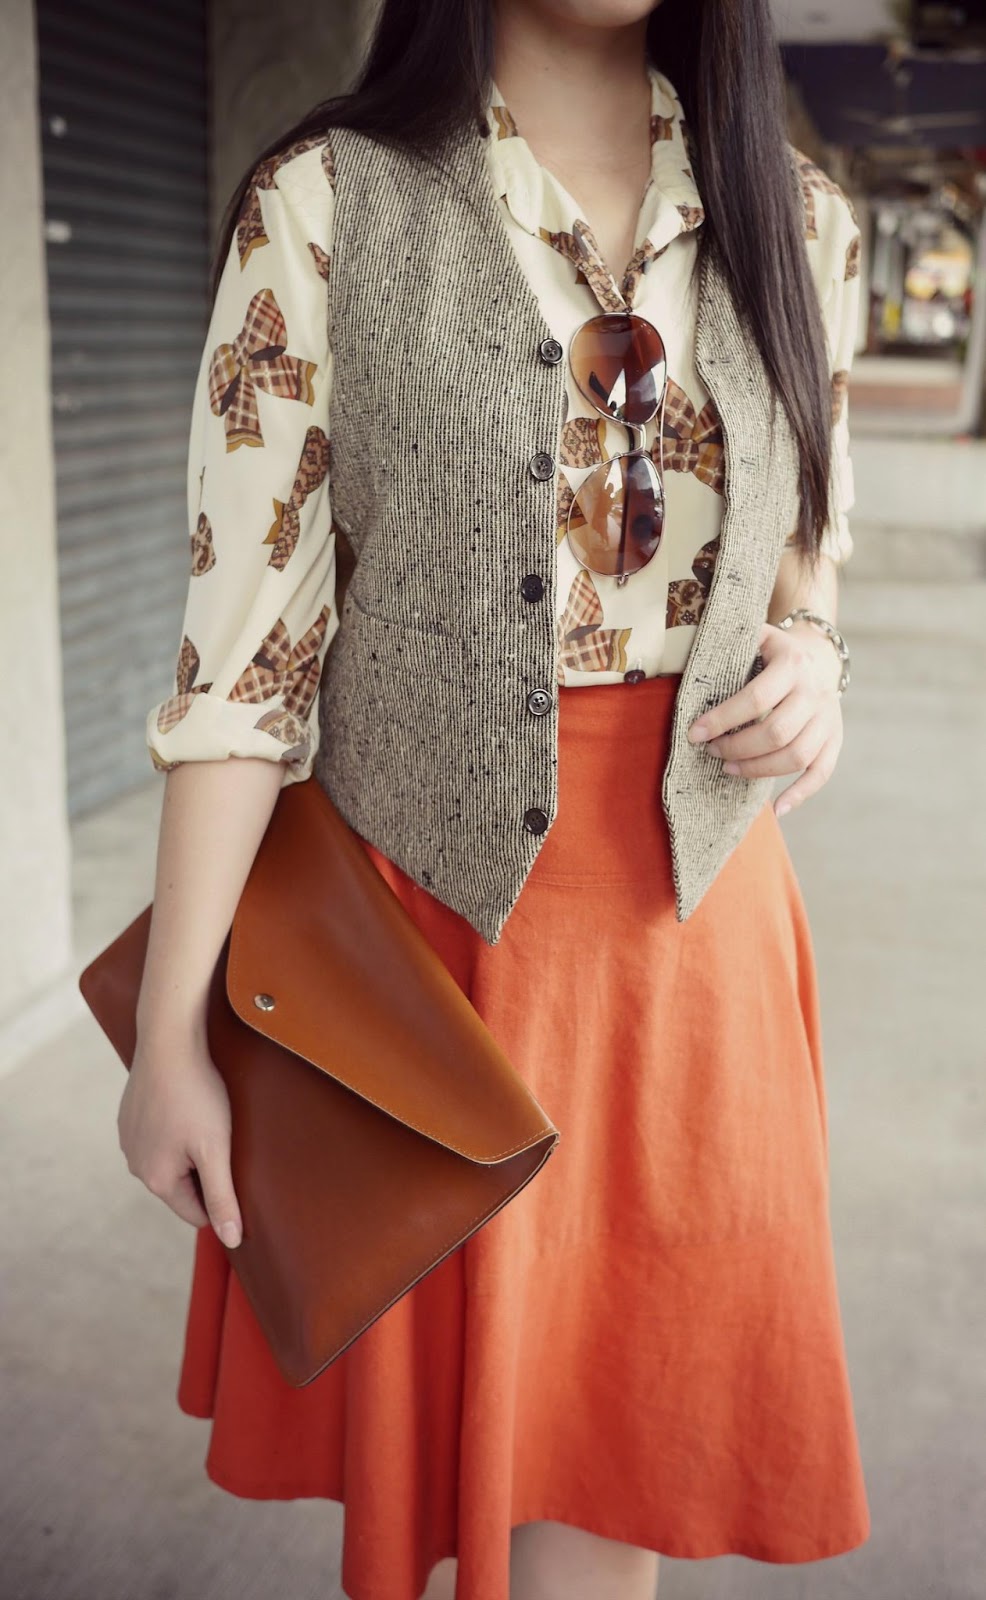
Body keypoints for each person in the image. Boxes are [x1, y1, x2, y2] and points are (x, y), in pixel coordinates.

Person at [118, 1, 871, 1597]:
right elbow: (245, 666)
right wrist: (174, 1034)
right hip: (430, 946)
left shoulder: (798, 220)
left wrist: (811, 649)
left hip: (695, 951)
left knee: (611, 1483)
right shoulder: (325, 204)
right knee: (452, 1473)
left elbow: (806, 541)